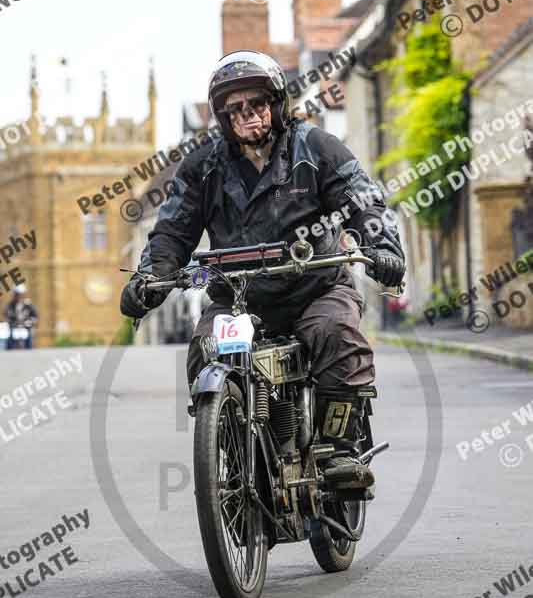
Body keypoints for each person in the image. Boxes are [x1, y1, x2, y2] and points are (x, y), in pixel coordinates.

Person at [121, 51, 405, 492]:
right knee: (206, 347)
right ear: (222, 117)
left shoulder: (317, 148)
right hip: (238, 297)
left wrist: (382, 249)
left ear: (276, 103)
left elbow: (363, 202)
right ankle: (231, 445)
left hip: (316, 287)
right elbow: (172, 232)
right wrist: (148, 280)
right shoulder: (202, 167)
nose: (247, 114)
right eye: (234, 108)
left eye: (255, 103)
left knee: (336, 334)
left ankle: (338, 450)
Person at [5, 284, 38, 350]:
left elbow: (34, 316)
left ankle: (29, 349)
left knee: (29, 335)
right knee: (9, 336)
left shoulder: (28, 305)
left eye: (20, 294)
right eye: (17, 294)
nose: (19, 296)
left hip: (26, 326)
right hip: (14, 326)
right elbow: (7, 315)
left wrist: (30, 321)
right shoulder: (10, 305)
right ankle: (9, 350)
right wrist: (12, 322)